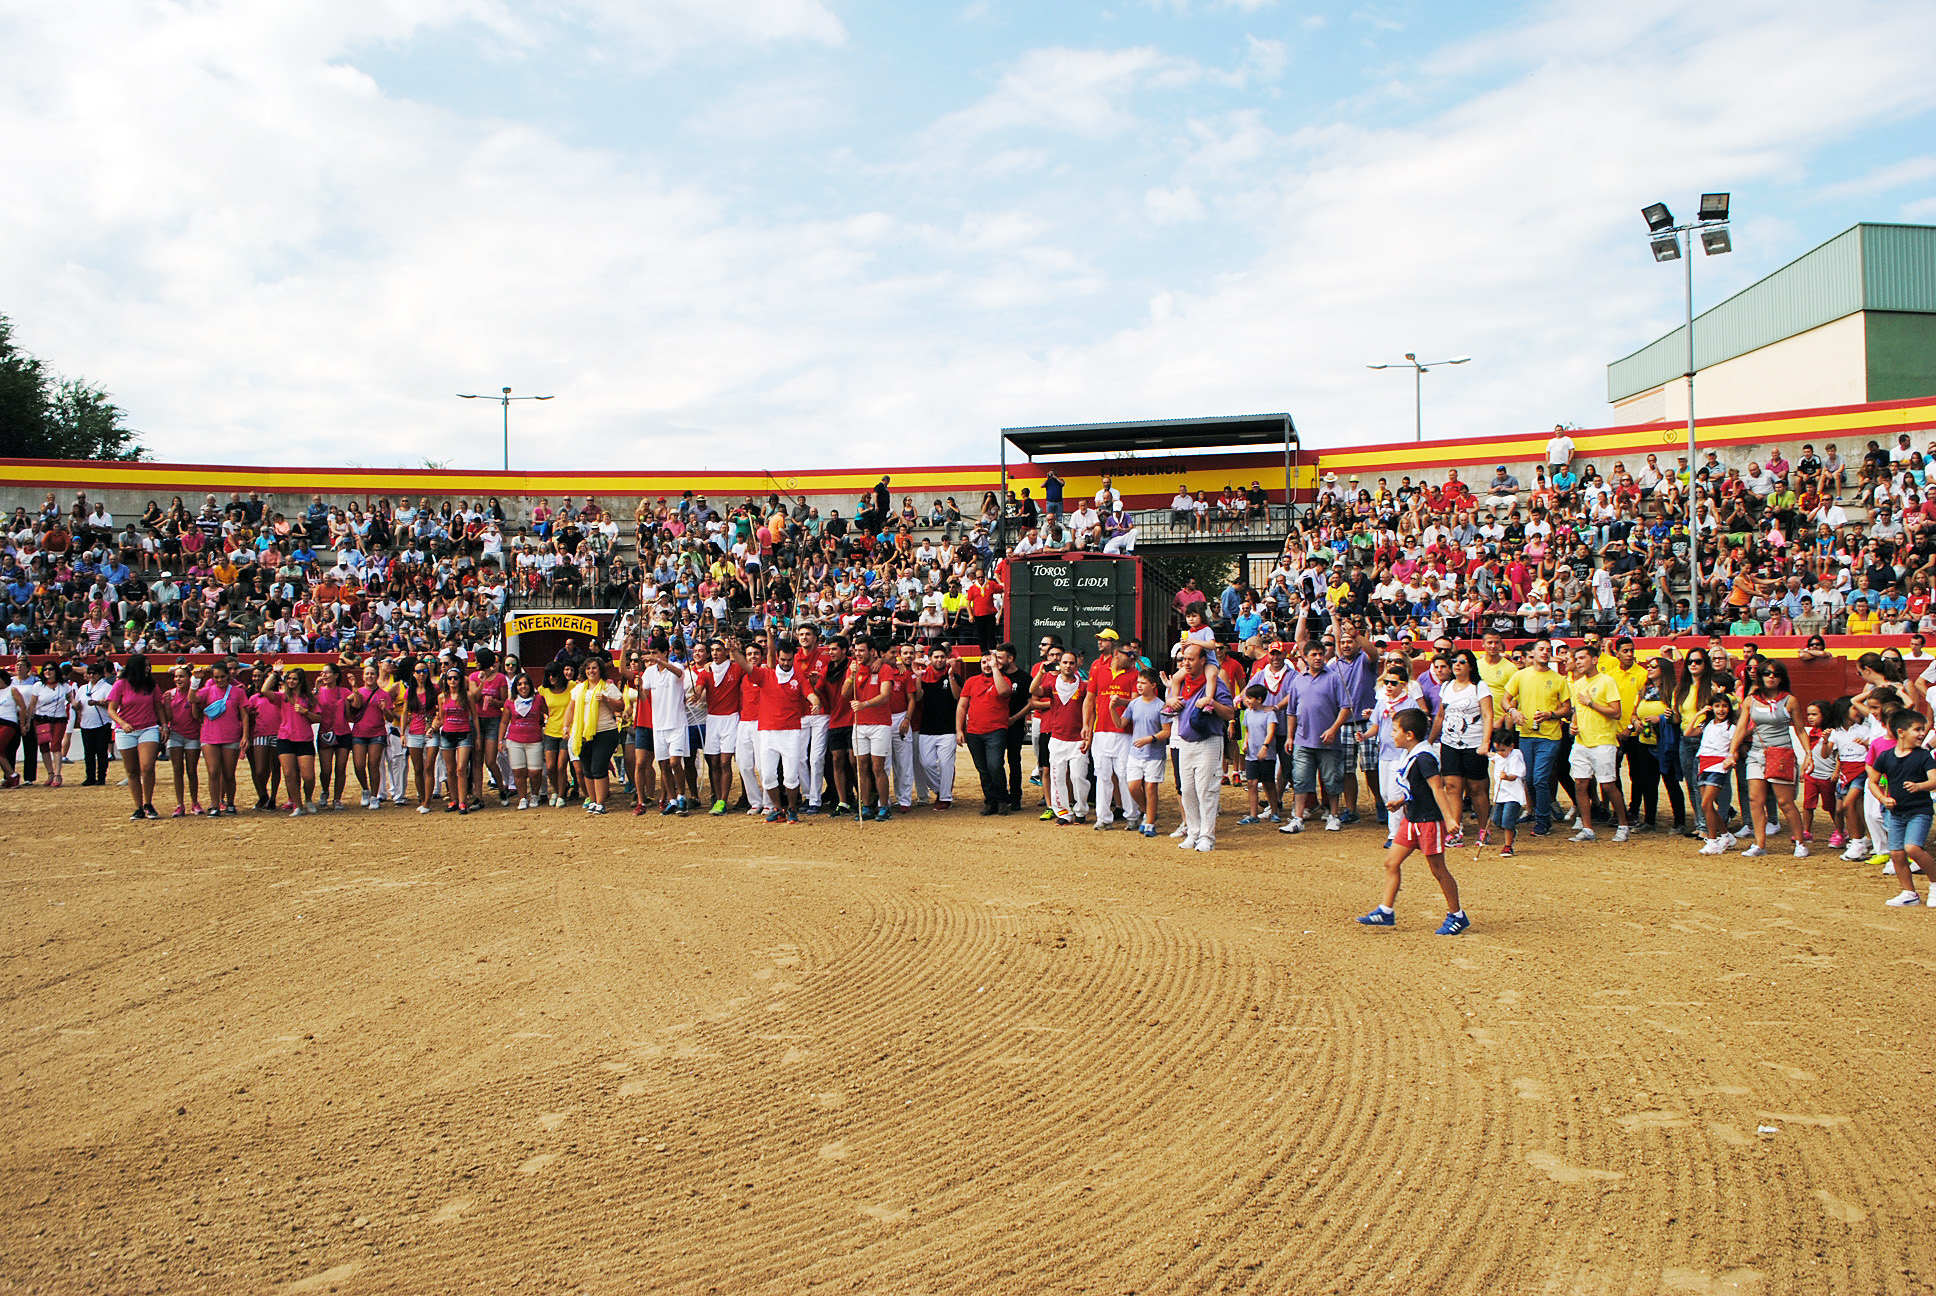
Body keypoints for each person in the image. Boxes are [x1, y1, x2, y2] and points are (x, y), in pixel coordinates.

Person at [1356, 707, 1469, 934]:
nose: (1391, 734)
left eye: (1395, 730)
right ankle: (1386, 910)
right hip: (1412, 819)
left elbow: (1437, 789)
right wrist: (1401, 802)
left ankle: (1457, 915)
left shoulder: (1424, 758)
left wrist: (1449, 819)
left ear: (1409, 735)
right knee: (1391, 862)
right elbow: (1419, 788)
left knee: (1438, 870)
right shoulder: (1413, 754)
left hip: (1428, 821)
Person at [1729, 659, 1809, 858]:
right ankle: (1760, 843)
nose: (1771, 677)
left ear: (1782, 678)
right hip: (1757, 752)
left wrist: (1808, 754)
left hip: (1781, 753)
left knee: (1785, 802)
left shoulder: (1789, 700)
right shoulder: (1751, 700)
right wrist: (1732, 752)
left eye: (1775, 674)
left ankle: (1800, 842)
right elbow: (1741, 728)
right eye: (1767, 673)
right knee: (1755, 800)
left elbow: (1800, 729)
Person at [1168, 641, 1234, 852]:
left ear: (1203, 660)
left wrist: (1211, 703)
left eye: (1191, 659)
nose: (1186, 663)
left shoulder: (1214, 683)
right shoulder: (1181, 682)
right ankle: (1193, 832)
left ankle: (1207, 836)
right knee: (1187, 789)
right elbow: (1167, 705)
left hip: (1209, 740)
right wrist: (1171, 702)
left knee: (1206, 789)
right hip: (1185, 741)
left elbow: (1230, 712)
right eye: (1184, 659)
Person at [1867, 708, 1936, 907]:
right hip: (1896, 813)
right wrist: (1882, 798)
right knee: (1896, 854)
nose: (1922, 734)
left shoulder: (1924, 756)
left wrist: (1920, 786)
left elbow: (1934, 780)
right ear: (1901, 732)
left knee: (1912, 848)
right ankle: (1909, 892)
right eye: (1917, 729)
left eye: (1923, 729)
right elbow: (1873, 782)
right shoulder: (1885, 757)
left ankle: (1935, 884)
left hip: (1919, 811)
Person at [1565, 644, 1630, 844]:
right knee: (1580, 783)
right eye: (1576, 659)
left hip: (1603, 741)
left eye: (1582, 658)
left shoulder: (1606, 681)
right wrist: (1573, 726)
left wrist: (1591, 703)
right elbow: (1577, 711)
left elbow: (1616, 712)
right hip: (1581, 741)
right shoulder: (1577, 684)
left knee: (1608, 784)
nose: (1578, 662)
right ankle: (1587, 828)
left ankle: (1623, 825)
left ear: (1594, 660)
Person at [1429, 649, 1493, 846]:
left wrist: (1485, 741)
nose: (1457, 664)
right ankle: (1455, 829)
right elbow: (1441, 715)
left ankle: (1484, 828)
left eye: (1462, 662)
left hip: (1474, 744)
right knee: (1452, 786)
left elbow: (1488, 715)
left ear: (1470, 666)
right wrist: (1430, 740)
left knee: (1476, 788)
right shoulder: (1447, 686)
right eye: (1455, 661)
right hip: (1450, 743)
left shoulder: (1479, 687)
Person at [1503, 639, 1566, 836]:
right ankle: (1541, 815)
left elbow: (1567, 708)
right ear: (1533, 653)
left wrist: (1551, 714)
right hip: (1527, 734)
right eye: (1541, 649)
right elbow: (1505, 699)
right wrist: (1513, 711)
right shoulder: (1520, 676)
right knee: (1529, 779)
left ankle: (1542, 819)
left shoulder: (1558, 679)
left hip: (1550, 735)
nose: (1545, 652)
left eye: (1548, 649)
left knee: (1539, 778)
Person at [1034, 649, 1091, 826]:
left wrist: (1088, 733)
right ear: (1060, 664)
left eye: (1071, 663)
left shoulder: (1084, 686)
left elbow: (1090, 709)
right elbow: (1033, 690)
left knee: (1078, 777)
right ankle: (1064, 812)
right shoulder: (1052, 684)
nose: (1068, 666)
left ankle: (1081, 810)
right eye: (1065, 662)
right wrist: (1040, 673)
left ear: (1076, 665)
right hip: (1057, 738)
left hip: (1078, 739)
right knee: (1057, 777)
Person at [563, 655, 622, 815]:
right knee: (587, 769)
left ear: (600, 670)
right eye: (588, 668)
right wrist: (566, 727)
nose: (591, 671)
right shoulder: (578, 689)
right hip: (582, 734)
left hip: (604, 732)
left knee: (598, 767)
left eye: (594, 668)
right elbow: (570, 709)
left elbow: (620, 706)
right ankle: (593, 800)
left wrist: (606, 700)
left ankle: (601, 803)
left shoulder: (608, 687)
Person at [106, 653, 163, 819]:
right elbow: (111, 709)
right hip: (126, 731)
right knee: (132, 771)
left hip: (148, 728)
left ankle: (148, 803)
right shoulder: (120, 685)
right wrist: (122, 723)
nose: (148, 668)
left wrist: (164, 725)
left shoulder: (151, 685)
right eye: (145, 665)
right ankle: (138, 806)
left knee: (147, 766)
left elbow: (158, 707)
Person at [957, 652, 1014, 816]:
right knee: (983, 769)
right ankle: (991, 801)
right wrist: (959, 729)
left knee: (995, 766)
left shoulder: (1004, 680)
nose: (987, 665)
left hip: (996, 731)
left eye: (990, 662)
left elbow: (1003, 692)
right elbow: (962, 706)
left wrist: (995, 668)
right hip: (974, 732)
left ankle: (1002, 799)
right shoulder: (971, 681)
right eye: (983, 662)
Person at [269, 665, 322, 816]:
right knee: (289, 774)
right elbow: (265, 690)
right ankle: (298, 805)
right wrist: (275, 673)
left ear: (301, 681)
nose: (291, 681)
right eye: (289, 679)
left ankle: (308, 799)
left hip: (304, 739)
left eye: (294, 679)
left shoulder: (309, 698)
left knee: (308, 776)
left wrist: (306, 712)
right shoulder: (282, 697)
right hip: (285, 738)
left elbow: (319, 718)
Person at [197, 659, 245, 815]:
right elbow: (192, 698)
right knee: (213, 772)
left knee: (229, 773)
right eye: (216, 677)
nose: (219, 680)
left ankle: (230, 802)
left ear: (228, 676)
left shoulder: (238, 692)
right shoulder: (207, 690)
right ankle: (215, 804)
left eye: (222, 677)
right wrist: (195, 681)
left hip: (230, 735)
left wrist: (245, 735)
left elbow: (244, 714)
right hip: (210, 736)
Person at [1695, 696, 1739, 854]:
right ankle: (1725, 835)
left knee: (1706, 804)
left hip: (1718, 765)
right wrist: (1699, 714)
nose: (1721, 709)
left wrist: (1730, 759)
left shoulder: (1731, 727)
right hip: (1703, 764)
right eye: (1717, 706)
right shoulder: (1707, 724)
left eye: (1724, 706)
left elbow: (1735, 750)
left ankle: (1712, 840)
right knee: (1708, 806)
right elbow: (1688, 732)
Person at [162, 663, 204, 816]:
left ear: (189, 678)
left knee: (192, 770)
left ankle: (194, 802)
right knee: (177, 769)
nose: (178, 679)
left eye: (181, 676)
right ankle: (180, 804)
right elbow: (169, 718)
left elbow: (196, 716)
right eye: (176, 677)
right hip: (176, 734)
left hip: (192, 735)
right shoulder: (170, 695)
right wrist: (167, 705)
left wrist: (193, 700)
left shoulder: (195, 694)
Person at [503, 670, 547, 810]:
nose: (523, 687)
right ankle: (522, 797)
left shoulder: (538, 699)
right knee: (518, 771)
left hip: (534, 740)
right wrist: (500, 741)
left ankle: (535, 794)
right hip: (514, 740)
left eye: (526, 683)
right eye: (520, 684)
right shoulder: (510, 702)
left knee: (535, 771)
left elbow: (548, 713)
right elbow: (504, 722)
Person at [1236, 684, 1279, 826]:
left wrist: (1265, 747)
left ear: (1259, 699)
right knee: (1252, 783)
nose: (1246, 701)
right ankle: (1253, 814)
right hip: (1252, 754)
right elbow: (1248, 730)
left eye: (1250, 698)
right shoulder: (1248, 713)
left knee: (1268, 783)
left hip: (1266, 754)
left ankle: (1274, 811)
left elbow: (1270, 732)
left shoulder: (1269, 714)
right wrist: (1245, 742)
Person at [76, 659, 114, 787]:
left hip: (102, 723)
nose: (91, 675)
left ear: (100, 674)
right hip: (86, 723)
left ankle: (101, 776)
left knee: (101, 751)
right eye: (89, 673)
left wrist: (98, 703)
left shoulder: (107, 688)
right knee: (89, 752)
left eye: (94, 673)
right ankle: (90, 776)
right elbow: (78, 705)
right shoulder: (83, 688)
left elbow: (111, 704)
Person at [1489, 728, 1525, 857]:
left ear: (1511, 747)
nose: (1500, 753)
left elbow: (1515, 776)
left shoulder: (1516, 756)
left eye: (1503, 750)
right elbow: (1493, 757)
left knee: (1507, 821)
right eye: (1497, 750)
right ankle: (1511, 832)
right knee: (1496, 820)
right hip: (1500, 795)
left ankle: (1508, 846)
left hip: (1513, 795)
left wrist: (1507, 777)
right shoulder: (1499, 756)